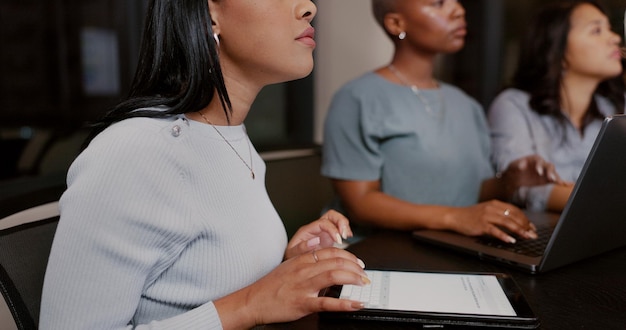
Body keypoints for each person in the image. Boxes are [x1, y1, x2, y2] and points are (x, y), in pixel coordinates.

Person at [40, 1, 370, 328]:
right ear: (211, 14)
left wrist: (290, 267)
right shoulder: (137, 150)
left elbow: (204, 281)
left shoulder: (229, 135)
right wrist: (252, 303)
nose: (309, 7)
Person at [321, 0, 560, 245]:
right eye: (438, 3)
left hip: (453, 247)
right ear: (396, 23)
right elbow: (361, 203)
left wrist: (510, 180)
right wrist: (454, 218)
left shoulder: (467, 105)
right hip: (380, 252)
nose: (459, 10)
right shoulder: (357, 98)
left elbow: (469, 192)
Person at [488, 0, 625, 212]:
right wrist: (608, 203)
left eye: (610, 29)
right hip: (538, 232)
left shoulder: (613, 110)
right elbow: (520, 187)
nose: (615, 38)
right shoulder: (513, 105)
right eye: (596, 30)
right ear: (557, 49)